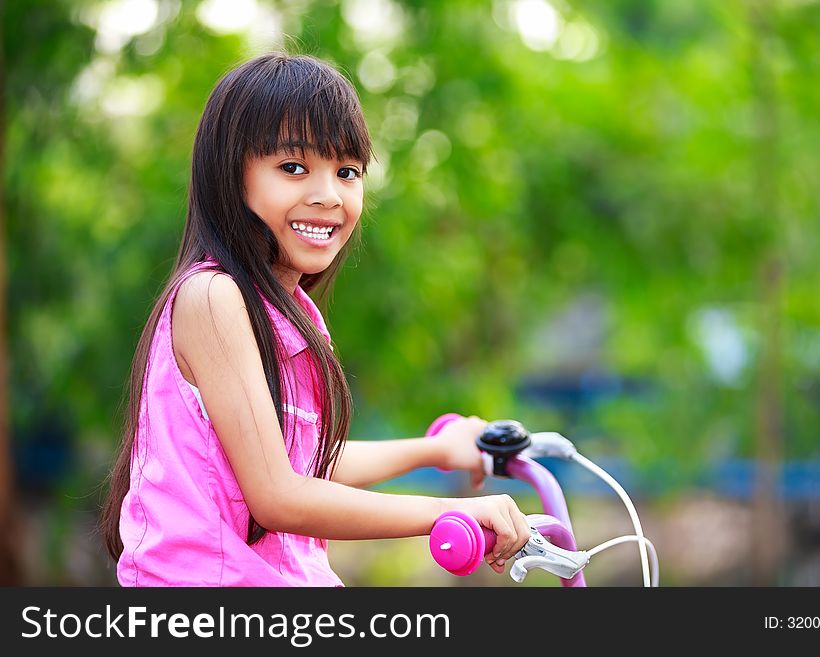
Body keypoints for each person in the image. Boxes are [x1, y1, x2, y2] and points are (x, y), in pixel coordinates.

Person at [99, 52, 530, 586]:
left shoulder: (292, 314)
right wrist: (446, 514)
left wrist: (437, 449)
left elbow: (308, 461)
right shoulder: (211, 299)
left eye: (347, 172)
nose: (328, 195)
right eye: (294, 168)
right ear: (231, 175)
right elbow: (280, 495)